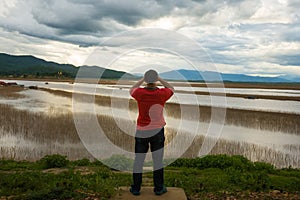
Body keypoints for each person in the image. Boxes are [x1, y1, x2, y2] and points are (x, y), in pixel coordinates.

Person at [129, 69, 174, 196]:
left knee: (139, 160)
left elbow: (131, 89)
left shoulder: (140, 93)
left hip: (142, 131)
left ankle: (136, 189)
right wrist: (160, 79)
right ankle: (159, 188)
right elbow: (172, 88)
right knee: (158, 161)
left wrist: (142, 79)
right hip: (157, 131)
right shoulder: (162, 94)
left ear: (146, 80)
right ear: (155, 81)